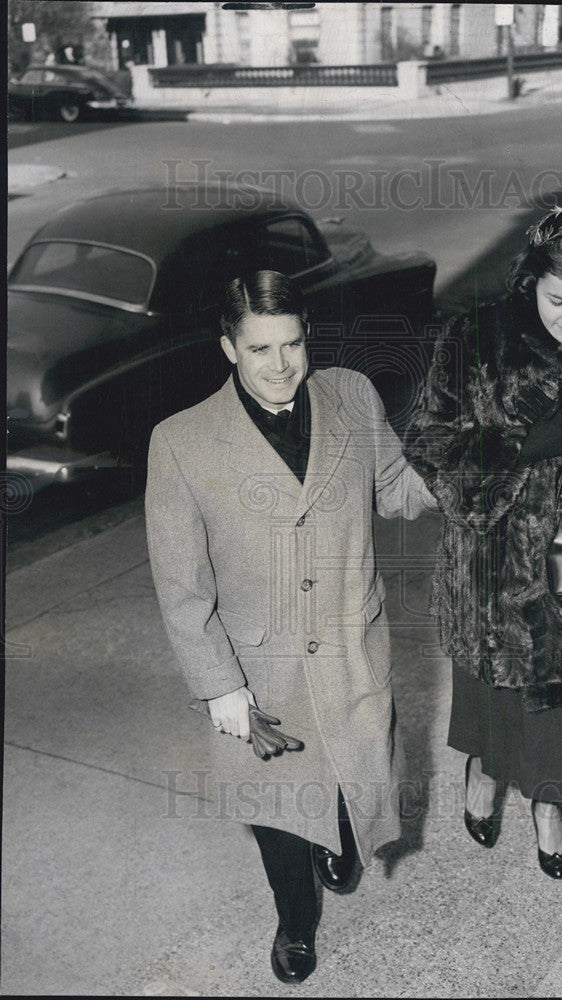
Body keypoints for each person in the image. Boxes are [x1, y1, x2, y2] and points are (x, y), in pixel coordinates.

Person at [145, 270, 435, 982]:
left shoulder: (352, 395)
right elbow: (182, 590)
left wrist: (469, 469)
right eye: (259, 350)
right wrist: (220, 688)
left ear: (308, 337)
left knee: (350, 777)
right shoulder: (181, 442)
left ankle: (339, 838)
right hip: (260, 671)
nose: (280, 366)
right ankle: (295, 921)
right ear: (227, 348)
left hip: (347, 644)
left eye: (292, 344)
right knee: (277, 807)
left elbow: (395, 487)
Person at [403, 202, 562, 878]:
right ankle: (484, 772)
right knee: (492, 696)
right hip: (489, 568)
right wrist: (518, 450)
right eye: (558, 299)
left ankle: (547, 805)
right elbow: (428, 443)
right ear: (530, 277)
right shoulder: (472, 337)